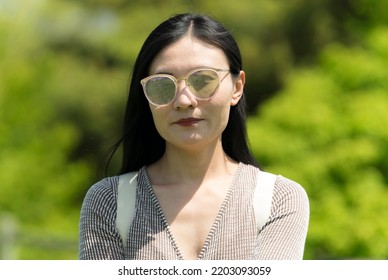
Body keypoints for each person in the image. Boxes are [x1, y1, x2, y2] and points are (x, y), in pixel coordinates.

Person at [78, 13, 309, 260]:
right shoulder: (109, 203)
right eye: (162, 84)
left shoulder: (278, 199)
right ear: (145, 96)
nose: (184, 100)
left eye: (203, 80)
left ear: (237, 87)